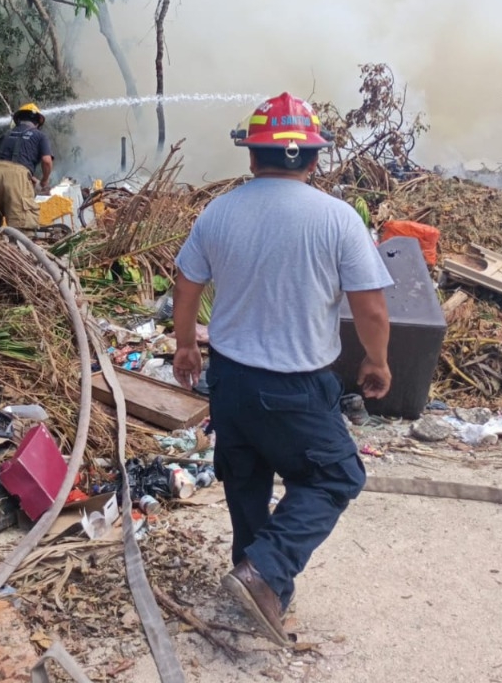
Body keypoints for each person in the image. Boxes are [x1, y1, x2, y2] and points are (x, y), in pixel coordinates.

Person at [171, 92, 393, 647]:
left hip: (230, 381)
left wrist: (185, 347)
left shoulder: (220, 211)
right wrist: (377, 359)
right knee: (338, 474)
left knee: (245, 485)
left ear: (251, 157)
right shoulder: (337, 219)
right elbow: (370, 306)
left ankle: (264, 591)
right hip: (295, 385)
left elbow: (186, 284)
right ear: (314, 160)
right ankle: (264, 577)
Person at [0, 103, 53, 231]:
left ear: (18, 120)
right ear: (37, 123)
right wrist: (44, 181)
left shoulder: (5, 135)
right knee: (22, 228)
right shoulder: (40, 136)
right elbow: (46, 161)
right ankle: (19, 250)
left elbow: (6, 164)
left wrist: (30, 178)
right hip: (17, 177)